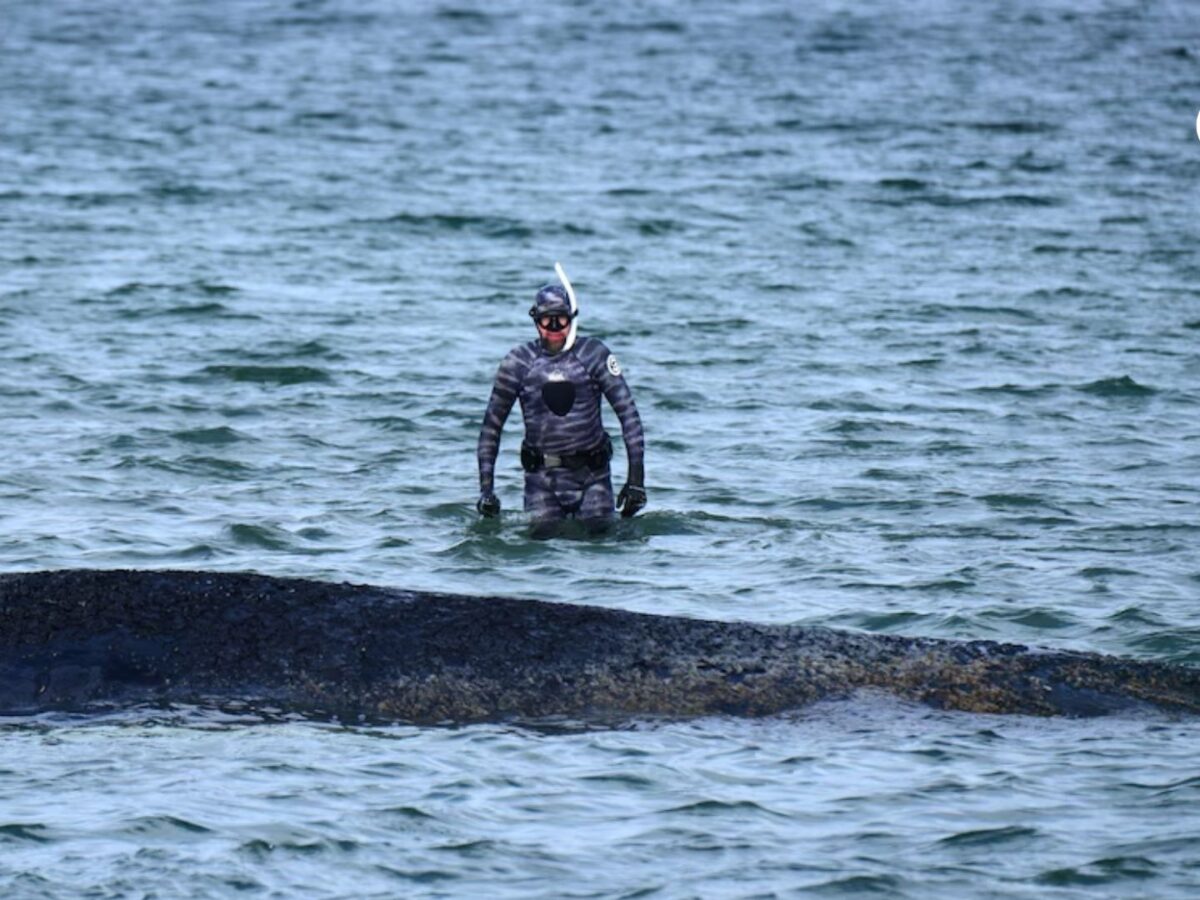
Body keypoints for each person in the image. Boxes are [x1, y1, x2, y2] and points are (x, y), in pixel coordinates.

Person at [476, 276, 645, 529]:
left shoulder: (594, 355)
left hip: (593, 478)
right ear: (536, 320)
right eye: (547, 320)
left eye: (561, 319)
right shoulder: (518, 362)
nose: (554, 327)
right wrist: (486, 491)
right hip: (541, 481)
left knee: (601, 541)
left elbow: (629, 416)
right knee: (541, 544)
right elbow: (491, 428)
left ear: (572, 318)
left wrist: (636, 482)